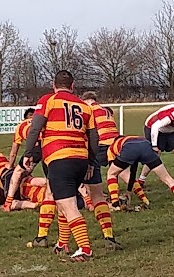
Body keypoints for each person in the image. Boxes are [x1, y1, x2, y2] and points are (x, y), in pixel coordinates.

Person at [22, 70, 98, 262]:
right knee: (62, 200)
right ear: (73, 86)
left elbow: (35, 128)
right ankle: (63, 243)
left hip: (59, 157)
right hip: (80, 158)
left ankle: (85, 248)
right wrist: (91, 161)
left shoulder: (49, 100)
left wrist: (28, 153)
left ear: (54, 85)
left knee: (68, 204)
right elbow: (94, 138)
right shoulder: (85, 106)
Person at [82, 92, 149, 209]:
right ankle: (144, 198)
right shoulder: (106, 110)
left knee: (88, 170)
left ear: (86, 100)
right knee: (123, 172)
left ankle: (93, 199)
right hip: (116, 143)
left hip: (102, 144)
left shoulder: (88, 110)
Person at [107, 135, 174, 208]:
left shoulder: (111, 148)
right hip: (146, 145)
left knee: (111, 174)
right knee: (167, 178)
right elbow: (133, 170)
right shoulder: (131, 138)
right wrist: (129, 191)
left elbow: (115, 174)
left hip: (129, 148)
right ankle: (145, 201)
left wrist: (114, 195)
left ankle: (115, 204)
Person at [138, 104, 174, 187]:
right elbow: (155, 127)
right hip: (153, 127)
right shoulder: (170, 115)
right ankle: (141, 180)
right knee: (154, 155)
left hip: (170, 130)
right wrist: (154, 146)